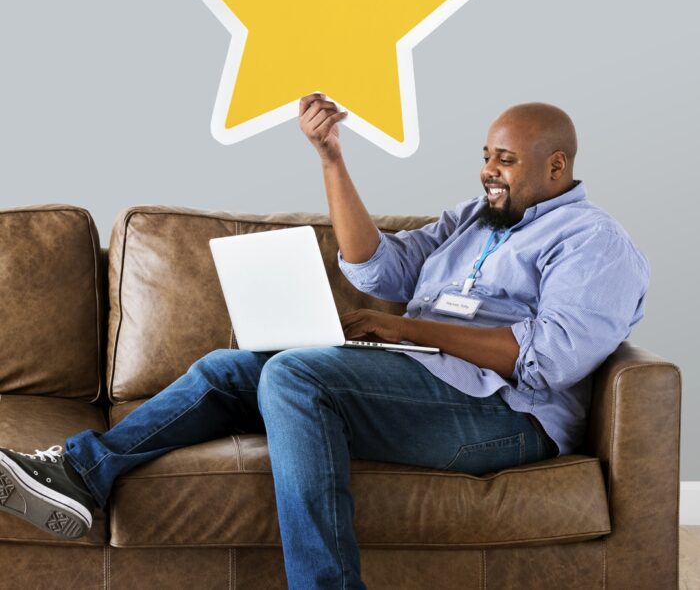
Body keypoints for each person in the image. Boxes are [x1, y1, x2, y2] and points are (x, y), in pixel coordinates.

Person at [0, 95, 649, 590]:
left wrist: (406, 328)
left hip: (504, 415)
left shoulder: (593, 242)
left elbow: (550, 356)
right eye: (485, 155)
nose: (488, 172)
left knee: (293, 376)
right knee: (231, 369)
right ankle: (80, 475)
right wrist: (332, 158)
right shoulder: (473, 221)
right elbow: (380, 267)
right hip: (421, 380)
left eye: (504, 159)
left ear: (557, 164)